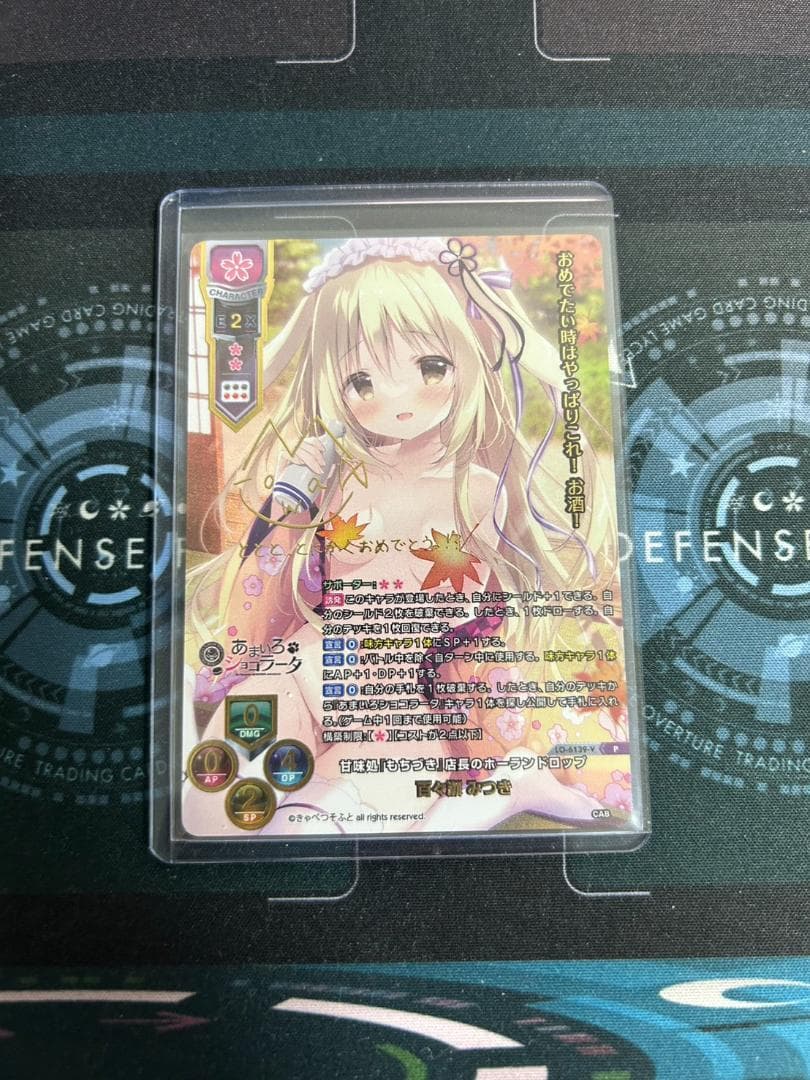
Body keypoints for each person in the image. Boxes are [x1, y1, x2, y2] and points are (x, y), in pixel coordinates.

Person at [184, 235, 617, 836]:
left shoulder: (476, 487)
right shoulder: (331, 472)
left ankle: (503, 791)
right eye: (362, 380)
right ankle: (494, 796)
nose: (398, 399)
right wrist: (293, 494)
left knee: (318, 829)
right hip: (300, 672)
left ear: (465, 357)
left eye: (431, 367)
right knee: (211, 813)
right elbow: (267, 583)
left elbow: (459, 609)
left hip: (397, 706)